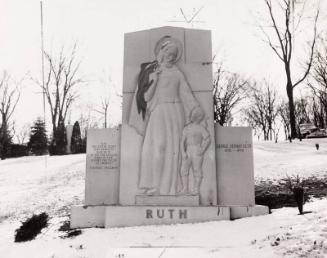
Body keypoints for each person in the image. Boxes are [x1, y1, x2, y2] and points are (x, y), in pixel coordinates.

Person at [129, 36, 201, 195]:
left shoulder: (177, 73)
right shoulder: (152, 71)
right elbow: (146, 97)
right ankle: (154, 185)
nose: (172, 57)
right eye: (170, 53)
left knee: (174, 150)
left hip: (175, 112)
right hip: (158, 112)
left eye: (175, 54)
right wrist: (154, 80)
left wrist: (195, 108)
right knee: (158, 147)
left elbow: (186, 93)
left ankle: (170, 187)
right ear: (163, 52)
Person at [180, 107, 211, 195]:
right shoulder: (186, 128)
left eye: (196, 115)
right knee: (183, 170)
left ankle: (196, 189)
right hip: (188, 149)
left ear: (199, 117)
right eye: (193, 114)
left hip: (197, 149)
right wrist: (183, 152)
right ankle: (185, 188)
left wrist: (202, 149)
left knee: (197, 170)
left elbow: (207, 139)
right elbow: (182, 141)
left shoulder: (201, 128)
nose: (193, 116)